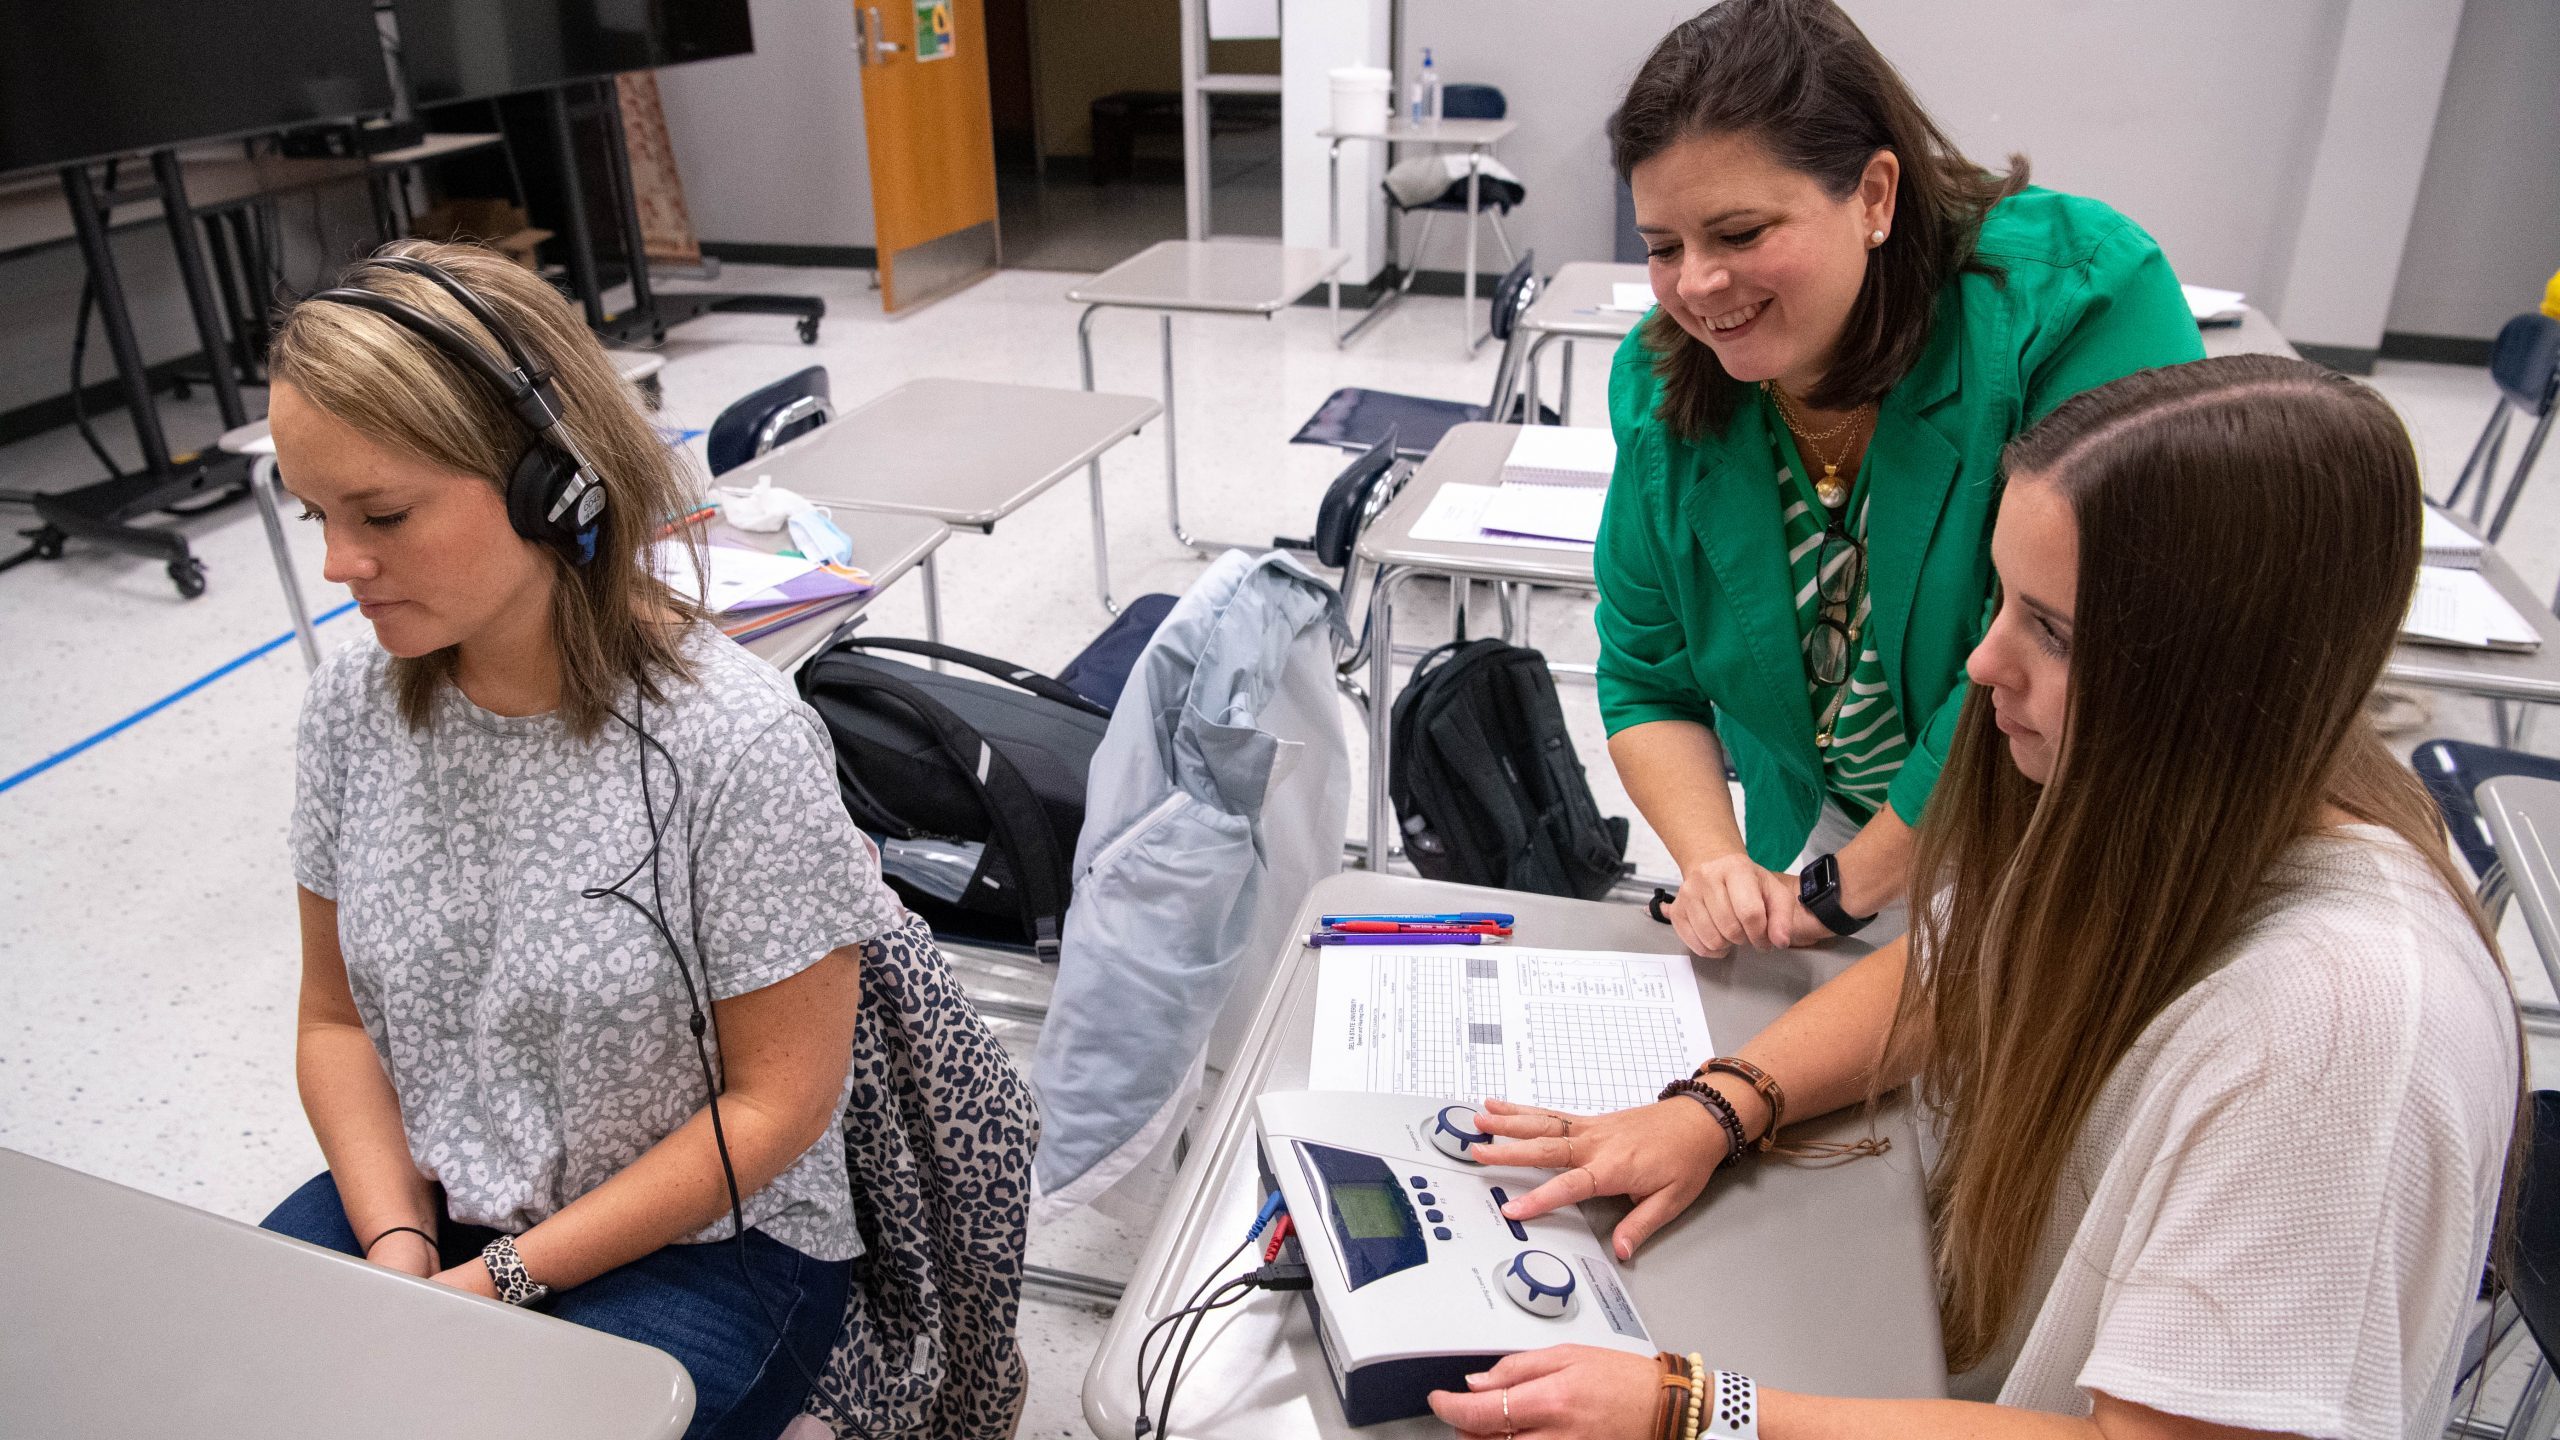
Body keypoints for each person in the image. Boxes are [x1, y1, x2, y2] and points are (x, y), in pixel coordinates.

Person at [1435, 356, 2522, 1439]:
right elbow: (1959, 966)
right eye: (2002, 601)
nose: (1984, 662)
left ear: (2214, 672)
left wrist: (1698, 1412)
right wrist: (1718, 1104)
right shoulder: (2168, 788)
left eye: (2050, 631)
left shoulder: (2342, 1037)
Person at [258, 241, 907, 1439]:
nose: (342, 564)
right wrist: (400, 1249)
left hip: (708, 1237)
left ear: (550, 483)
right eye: (318, 517)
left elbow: (776, 1108)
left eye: (383, 514)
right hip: (437, 1189)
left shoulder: (734, 743)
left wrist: (495, 1284)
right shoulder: (353, 705)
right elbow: (334, 1020)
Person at [1598, 0, 2205, 957]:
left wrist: (1846, 892)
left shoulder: (2078, 304)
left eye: (1742, 232)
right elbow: (1645, 678)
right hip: (1854, 828)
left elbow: (2077, 651)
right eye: (1665, 247)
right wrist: (1716, 862)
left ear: (1875, 196)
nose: (1700, 286)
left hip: (2074, 823)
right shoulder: (1666, 381)